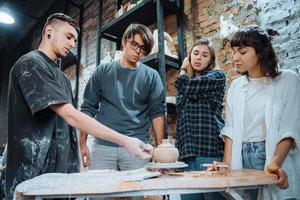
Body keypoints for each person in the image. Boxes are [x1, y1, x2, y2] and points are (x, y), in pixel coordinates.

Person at [5, 13, 153, 200]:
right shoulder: (31, 63)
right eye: (68, 37)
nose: (73, 43)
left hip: (58, 175)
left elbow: (68, 126)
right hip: (31, 174)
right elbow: (71, 115)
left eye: (75, 39)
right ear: (49, 32)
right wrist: (125, 140)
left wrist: (77, 162)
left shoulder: (63, 80)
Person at [210, 25, 300, 200]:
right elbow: (230, 130)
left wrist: (275, 164)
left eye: (242, 52)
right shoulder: (236, 86)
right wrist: (227, 166)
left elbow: (290, 127)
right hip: (241, 154)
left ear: (261, 52)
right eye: (234, 51)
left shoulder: (288, 79)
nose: (235, 58)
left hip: (270, 152)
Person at [79, 24, 165, 172]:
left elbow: (157, 113)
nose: (138, 51)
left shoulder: (152, 76)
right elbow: (87, 108)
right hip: (102, 146)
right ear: (124, 42)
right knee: (99, 194)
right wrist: (82, 143)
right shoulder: (102, 71)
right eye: (134, 44)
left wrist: (160, 151)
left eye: (143, 48)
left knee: (134, 194)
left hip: (138, 147)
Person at [175, 38, 226, 200]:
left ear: (211, 61)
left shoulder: (217, 76)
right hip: (186, 152)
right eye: (195, 53)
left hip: (209, 150)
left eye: (204, 55)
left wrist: (183, 69)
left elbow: (188, 87)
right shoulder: (184, 85)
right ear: (190, 57)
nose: (198, 57)